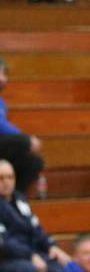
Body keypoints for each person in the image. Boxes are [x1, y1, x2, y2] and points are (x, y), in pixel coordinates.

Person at [0, 159, 70, 272]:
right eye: (1, 178)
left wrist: (52, 246)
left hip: (28, 256)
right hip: (5, 260)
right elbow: (4, 243)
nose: (6, 182)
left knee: (64, 268)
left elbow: (36, 229)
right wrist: (30, 255)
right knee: (27, 271)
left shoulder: (19, 199)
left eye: (10, 177)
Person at [0, 58, 45, 195]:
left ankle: (12, 198)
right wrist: (26, 141)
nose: (2, 78)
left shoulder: (1, 103)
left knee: (34, 162)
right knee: (22, 142)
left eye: (5, 74)